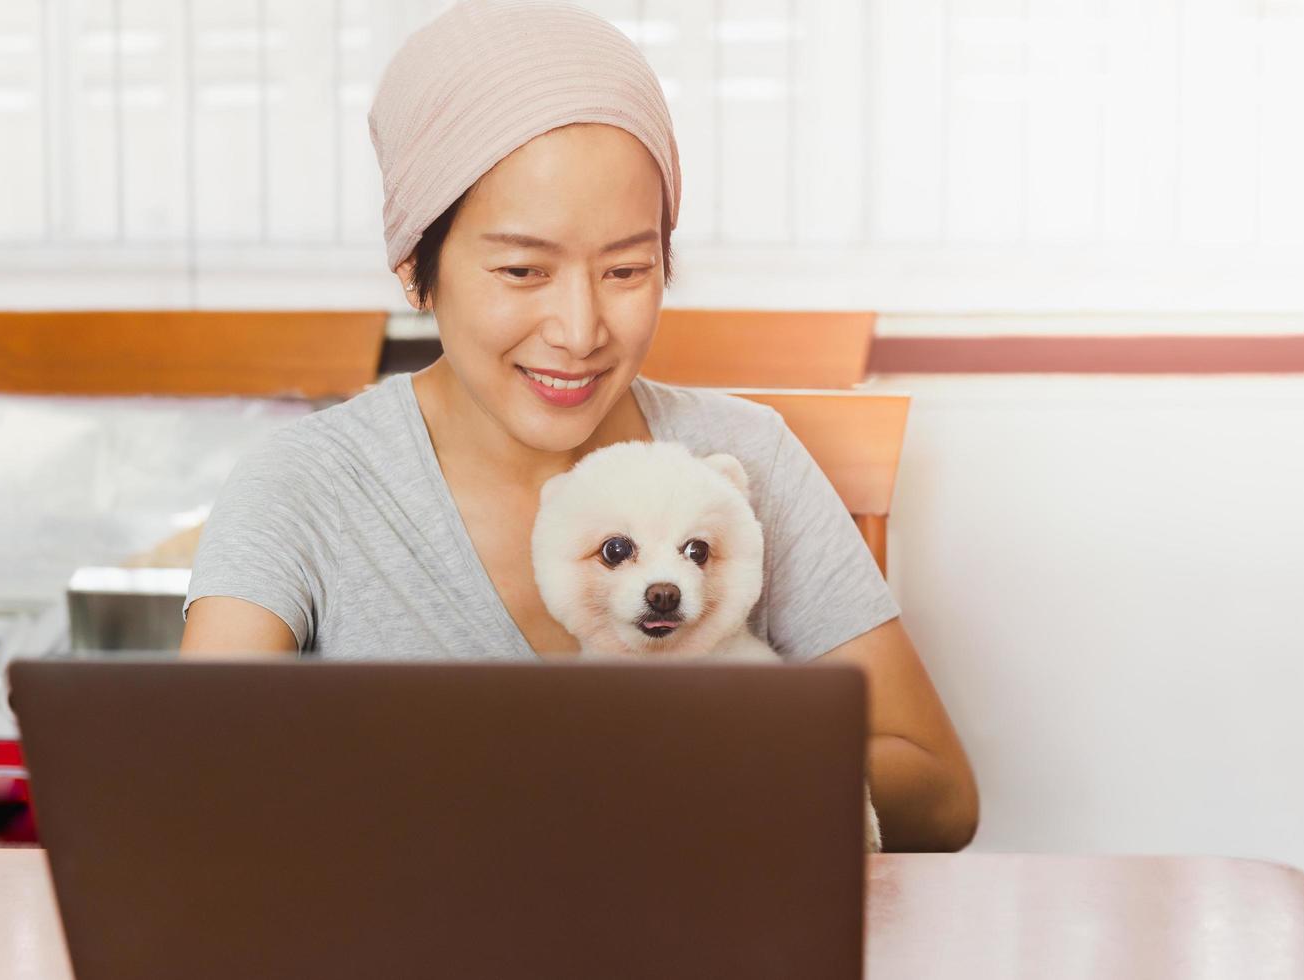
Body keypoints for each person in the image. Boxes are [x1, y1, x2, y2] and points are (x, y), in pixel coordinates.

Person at [180, 0, 978, 852]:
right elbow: (193, 790)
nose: (580, 329)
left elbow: (937, 791)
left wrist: (705, 769)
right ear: (416, 267)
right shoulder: (309, 485)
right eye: (523, 269)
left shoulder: (745, 460)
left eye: (627, 269)